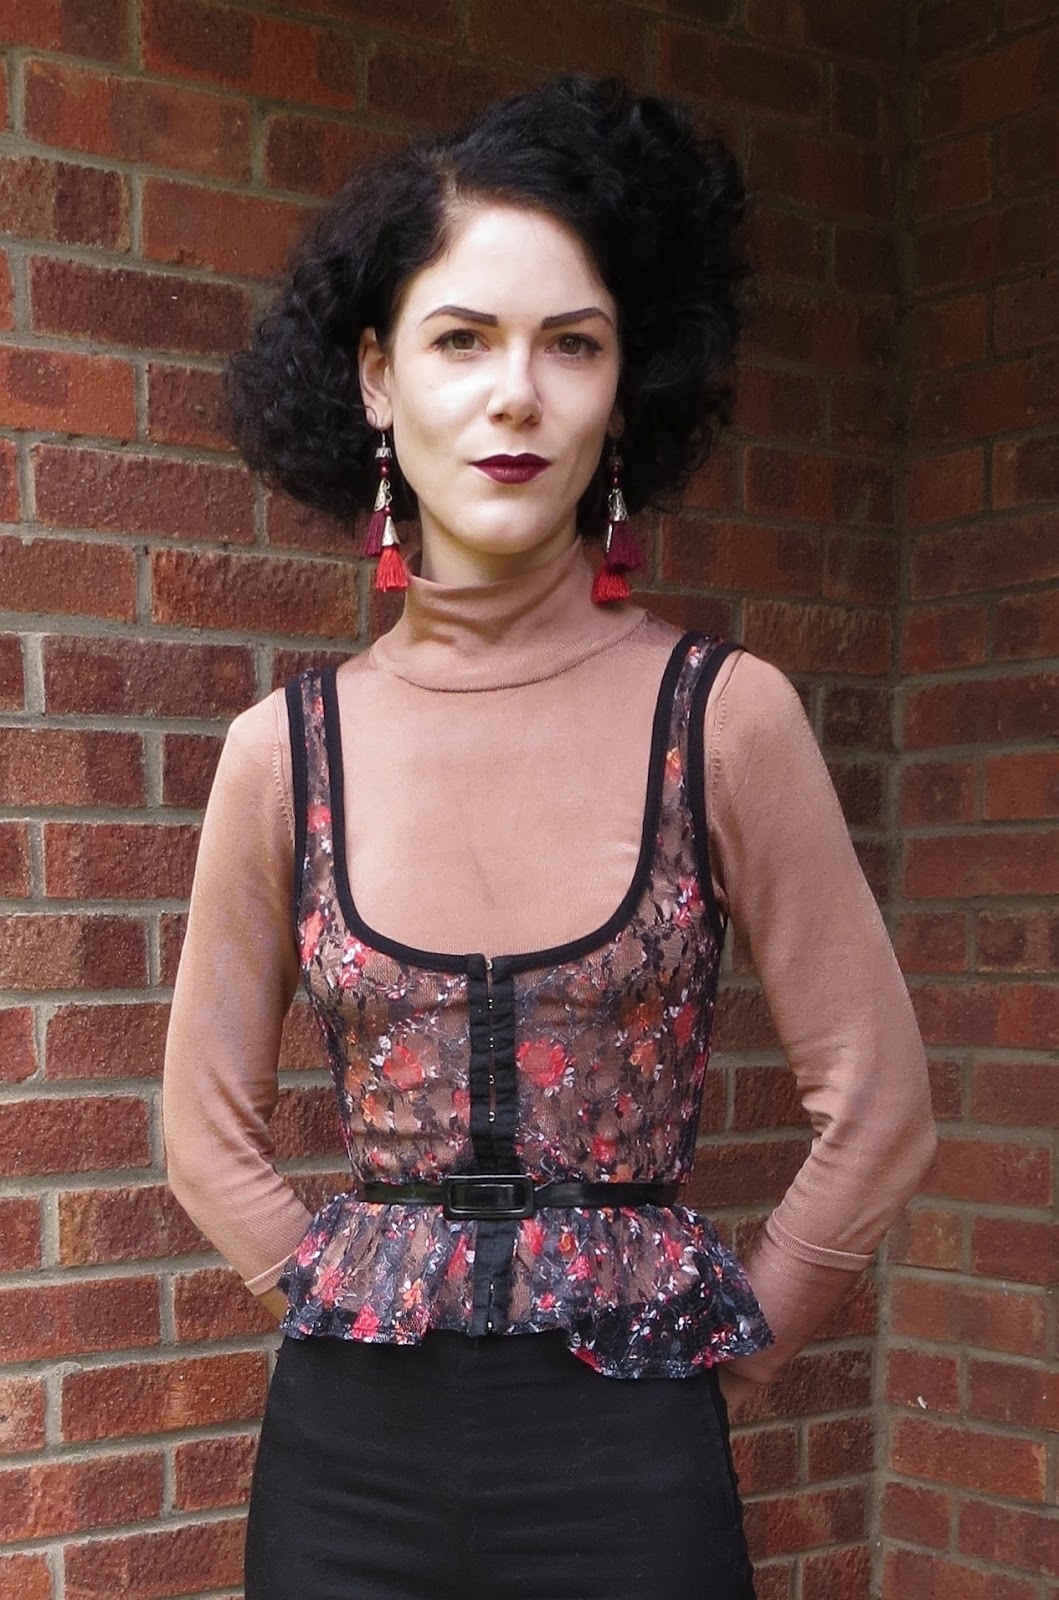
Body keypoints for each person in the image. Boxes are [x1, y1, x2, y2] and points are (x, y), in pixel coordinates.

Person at [162, 74, 937, 1600]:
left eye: (571, 344)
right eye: (462, 339)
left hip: (632, 1464)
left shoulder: (727, 720)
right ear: (378, 378)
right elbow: (201, 1129)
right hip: (344, 1473)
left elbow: (882, 1113)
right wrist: (344, 1292)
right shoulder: (281, 753)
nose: (515, 394)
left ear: (625, 390)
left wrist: (737, 1359)